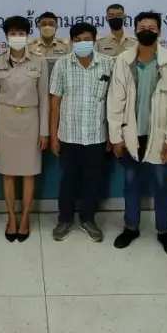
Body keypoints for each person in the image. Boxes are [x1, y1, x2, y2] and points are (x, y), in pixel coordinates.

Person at [108, 12, 167, 257]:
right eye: (142, 27)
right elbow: (115, 100)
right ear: (135, 30)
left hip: (160, 135)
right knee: (131, 184)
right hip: (131, 133)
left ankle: (163, 231)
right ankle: (130, 227)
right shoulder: (124, 60)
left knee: (162, 186)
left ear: (159, 31)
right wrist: (116, 136)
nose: (147, 31)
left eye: (151, 27)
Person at [49, 22, 115, 243]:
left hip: (97, 135)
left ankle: (88, 219)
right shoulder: (62, 65)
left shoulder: (107, 64)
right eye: (77, 40)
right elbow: (55, 103)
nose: (82, 43)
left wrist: (112, 134)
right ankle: (64, 219)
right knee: (68, 180)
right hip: (69, 135)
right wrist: (53, 136)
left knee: (93, 181)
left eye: (86, 39)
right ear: (72, 42)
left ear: (94, 40)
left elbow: (113, 102)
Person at [0, 16, 50, 242]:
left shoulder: (39, 61)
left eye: (21, 33)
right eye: (12, 33)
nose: (17, 37)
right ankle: (11, 218)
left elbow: (44, 98)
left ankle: (24, 219)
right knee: (8, 172)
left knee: (29, 172)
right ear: (6, 36)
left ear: (27, 35)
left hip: (31, 122)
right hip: (5, 122)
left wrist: (44, 132)